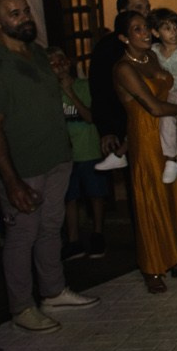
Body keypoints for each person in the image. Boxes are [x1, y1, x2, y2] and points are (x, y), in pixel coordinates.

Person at [0, 0, 98, 332]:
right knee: (22, 235)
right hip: (22, 166)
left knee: (50, 229)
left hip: (56, 156)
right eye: (14, 13)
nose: (24, 17)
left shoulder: (37, 52)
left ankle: (53, 291)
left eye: (25, 11)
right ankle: (21, 306)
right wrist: (10, 181)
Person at [112, 10, 177, 290]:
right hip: (146, 135)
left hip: (170, 131)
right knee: (152, 200)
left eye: (146, 28)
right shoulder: (123, 68)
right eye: (137, 29)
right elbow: (151, 105)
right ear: (123, 37)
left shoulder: (152, 57)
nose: (145, 33)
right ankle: (152, 266)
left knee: (176, 196)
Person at [50, 46, 110, 260]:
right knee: (70, 197)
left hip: (88, 150)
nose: (58, 66)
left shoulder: (84, 86)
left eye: (61, 60)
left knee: (95, 195)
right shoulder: (48, 92)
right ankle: (74, 241)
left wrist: (69, 91)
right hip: (65, 154)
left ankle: (98, 235)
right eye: (52, 63)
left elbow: (89, 116)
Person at [89, 0, 151, 171]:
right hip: (123, 122)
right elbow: (100, 90)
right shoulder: (107, 47)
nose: (145, 12)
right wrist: (107, 129)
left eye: (147, 8)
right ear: (123, 12)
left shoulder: (153, 43)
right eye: (139, 7)